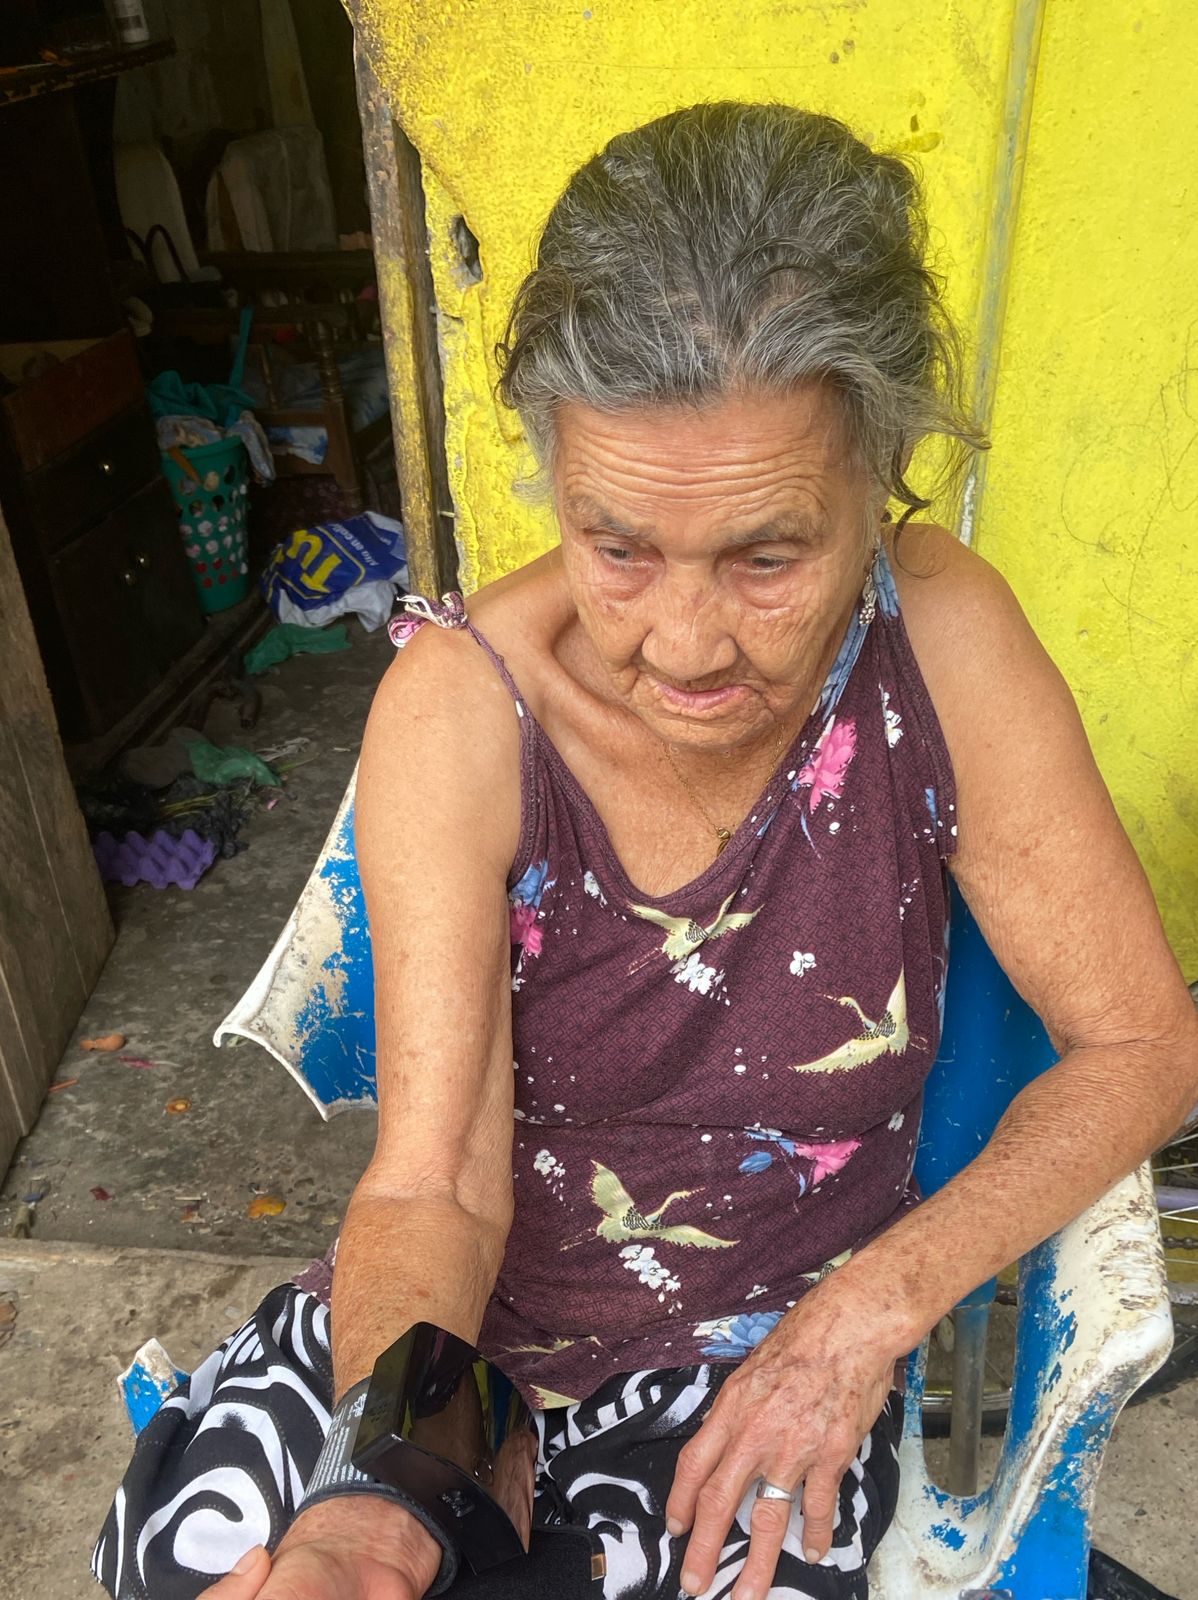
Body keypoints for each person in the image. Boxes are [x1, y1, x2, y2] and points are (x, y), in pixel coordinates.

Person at [94, 101, 1198, 1600]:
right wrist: (382, 1494)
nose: (684, 645)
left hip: (763, 1357)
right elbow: (436, 1187)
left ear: (880, 468)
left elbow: (1141, 1043)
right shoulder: (463, 708)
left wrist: (865, 1318)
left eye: (767, 555)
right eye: (618, 547)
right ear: (552, 468)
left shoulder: (940, 649)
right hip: (447, 1343)